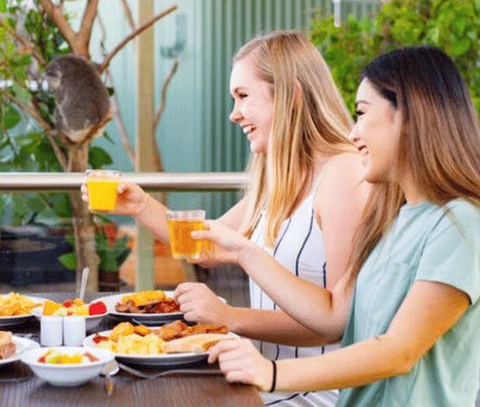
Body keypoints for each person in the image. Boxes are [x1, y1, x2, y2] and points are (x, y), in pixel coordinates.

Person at [87, 31, 373, 405]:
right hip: (259, 381)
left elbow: (338, 323)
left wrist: (229, 316)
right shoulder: (279, 177)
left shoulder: (343, 175)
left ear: (291, 95)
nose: (233, 114)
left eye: (243, 96)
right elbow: (204, 246)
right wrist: (139, 206)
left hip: (314, 394)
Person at [204, 46, 480, 405]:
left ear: (410, 118)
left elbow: (399, 350)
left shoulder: (459, 225)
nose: (353, 134)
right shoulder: (394, 217)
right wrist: (243, 251)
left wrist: (271, 373)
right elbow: (334, 317)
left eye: (362, 114)